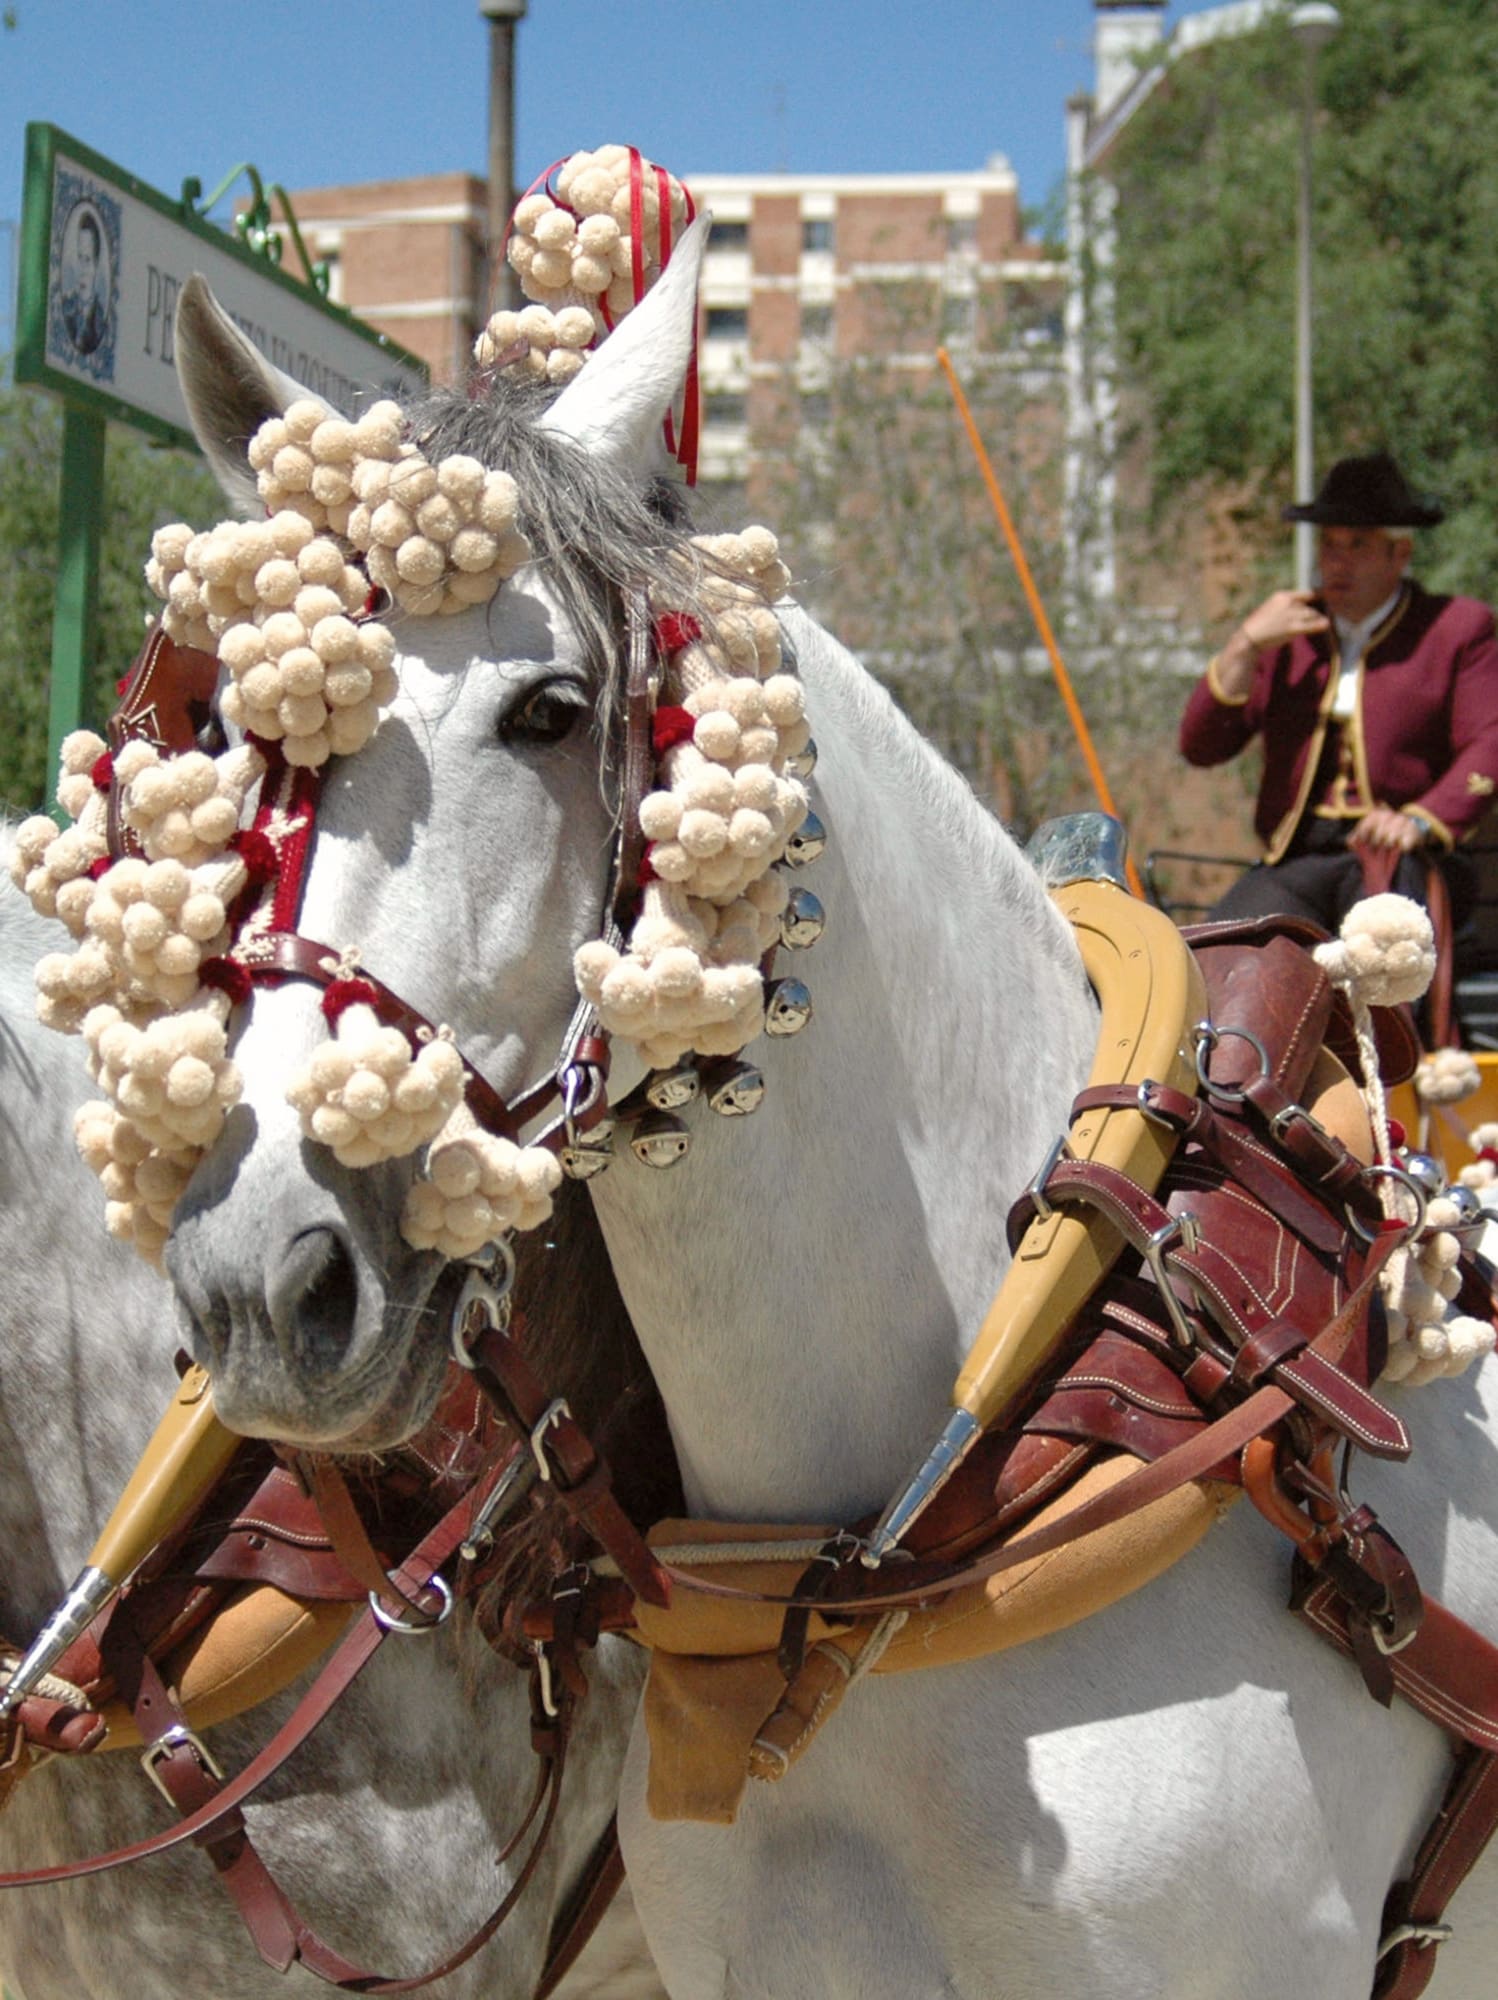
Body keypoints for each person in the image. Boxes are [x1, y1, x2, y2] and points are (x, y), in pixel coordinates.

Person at [1178, 452, 1498, 940]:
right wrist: (1245, 644)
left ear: (1400, 554)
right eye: (1328, 544)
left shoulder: (1455, 629)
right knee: (1221, 956)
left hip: (1400, 861)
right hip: (1298, 859)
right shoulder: (1288, 635)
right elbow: (1200, 747)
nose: (1337, 561)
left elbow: (1489, 740)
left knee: (1383, 959)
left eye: (1358, 544)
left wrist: (1421, 820)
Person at [62, 208, 107, 357]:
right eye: (79, 259)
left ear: (96, 266)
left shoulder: (101, 322)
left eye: (87, 260)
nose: (82, 271)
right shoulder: (67, 309)